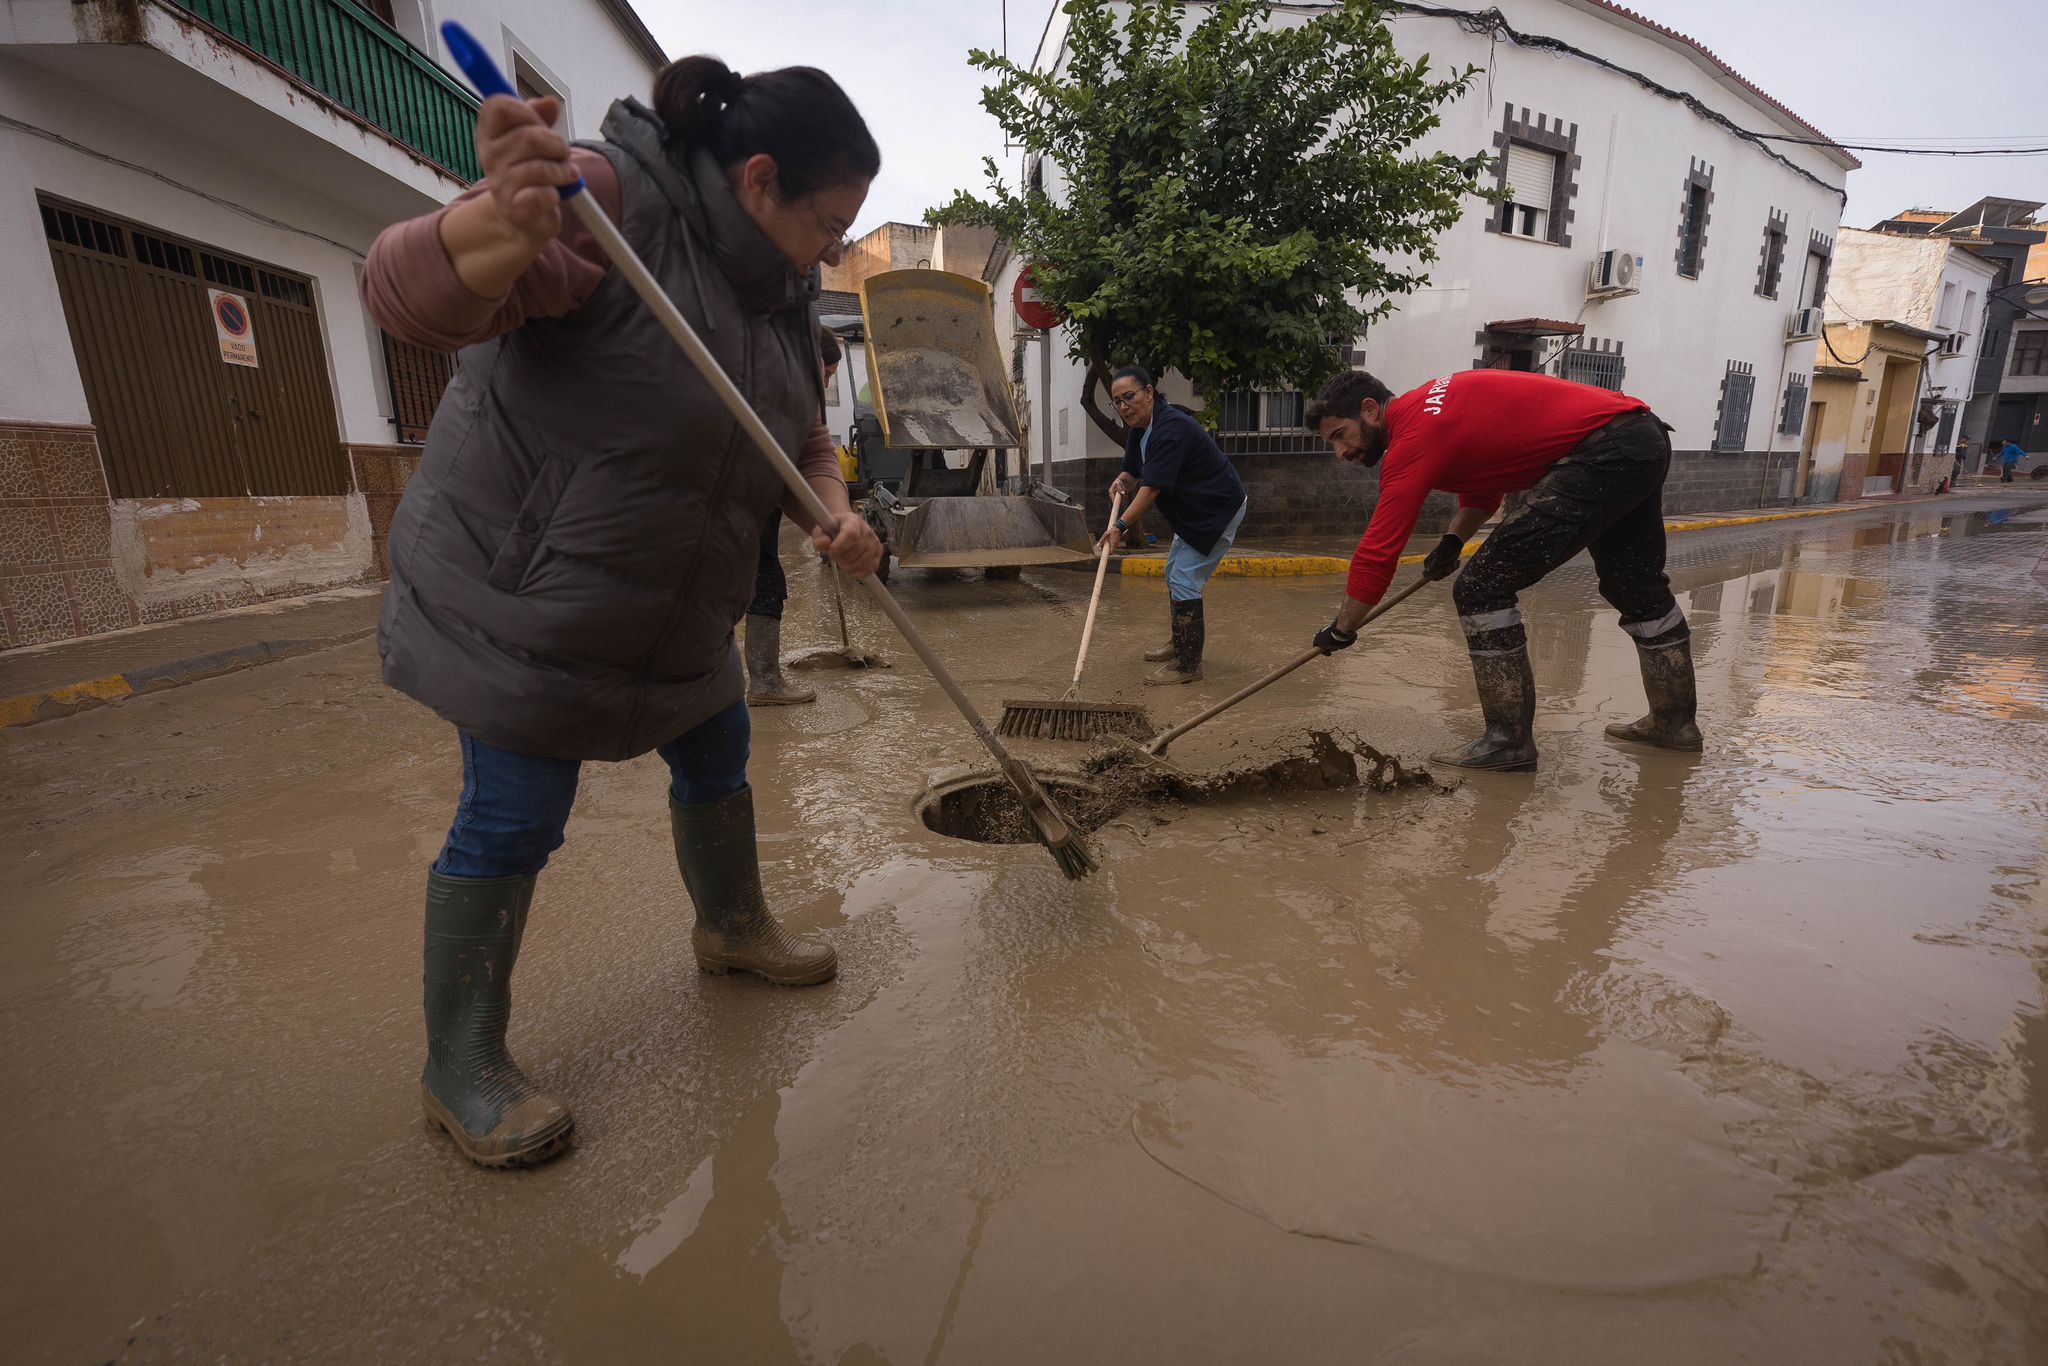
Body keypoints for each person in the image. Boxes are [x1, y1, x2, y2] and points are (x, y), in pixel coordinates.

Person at [361, 55, 883, 1167]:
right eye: (830, 224)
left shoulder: (781, 291)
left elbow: (799, 436)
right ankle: (460, 1065)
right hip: (528, 596)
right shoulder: (610, 202)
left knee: (719, 750)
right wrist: (498, 228)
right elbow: (403, 292)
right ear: (756, 182)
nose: (834, 249)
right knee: (512, 816)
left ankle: (731, 929)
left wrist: (832, 513)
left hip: (674, 605)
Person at [1303, 368, 1699, 773]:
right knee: (1635, 585)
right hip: (1641, 437)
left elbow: (1378, 552)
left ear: (1369, 410)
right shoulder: (1428, 411)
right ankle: (1674, 724)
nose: (1340, 452)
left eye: (1339, 436)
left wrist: (1343, 628)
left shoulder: (1412, 437)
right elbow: (1484, 489)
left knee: (1479, 589)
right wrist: (1453, 541)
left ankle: (1508, 741)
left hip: (1605, 450)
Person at [1097, 366, 1249, 684]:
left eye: (1129, 397)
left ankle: (1187, 666)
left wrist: (1121, 527)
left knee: (1183, 578)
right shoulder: (1140, 427)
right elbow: (1134, 473)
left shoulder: (1171, 429)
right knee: (1173, 571)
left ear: (1149, 393)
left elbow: (1151, 489)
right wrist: (1122, 480)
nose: (1124, 407)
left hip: (1216, 509)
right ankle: (1181, 643)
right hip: (1193, 510)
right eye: (1118, 401)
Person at [743, 326, 845, 705]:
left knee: (764, 577)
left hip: (761, 503)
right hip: (725, 508)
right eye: (828, 374)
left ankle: (763, 681)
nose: (825, 381)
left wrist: (835, 521)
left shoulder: (800, 397)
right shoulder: (753, 380)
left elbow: (813, 454)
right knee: (760, 580)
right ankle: (765, 684)